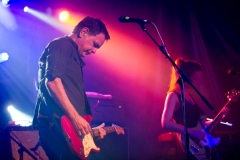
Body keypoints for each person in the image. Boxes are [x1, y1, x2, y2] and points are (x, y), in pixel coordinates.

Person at [32, 16, 110, 160]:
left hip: (66, 128)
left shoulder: (73, 54)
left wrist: (86, 130)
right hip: (55, 126)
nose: (94, 51)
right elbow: (52, 83)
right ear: (84, 32)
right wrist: (76, 118)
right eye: (95, 44)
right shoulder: (62, 45)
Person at [161, 58, 209, 159]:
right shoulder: (173, 95)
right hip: (186, 143)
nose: (197, 82)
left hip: (197, 142)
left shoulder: (188, 95)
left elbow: (195, 122)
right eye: (195, 79)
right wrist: (192, 132)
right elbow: (165, 123)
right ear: (185, 77)